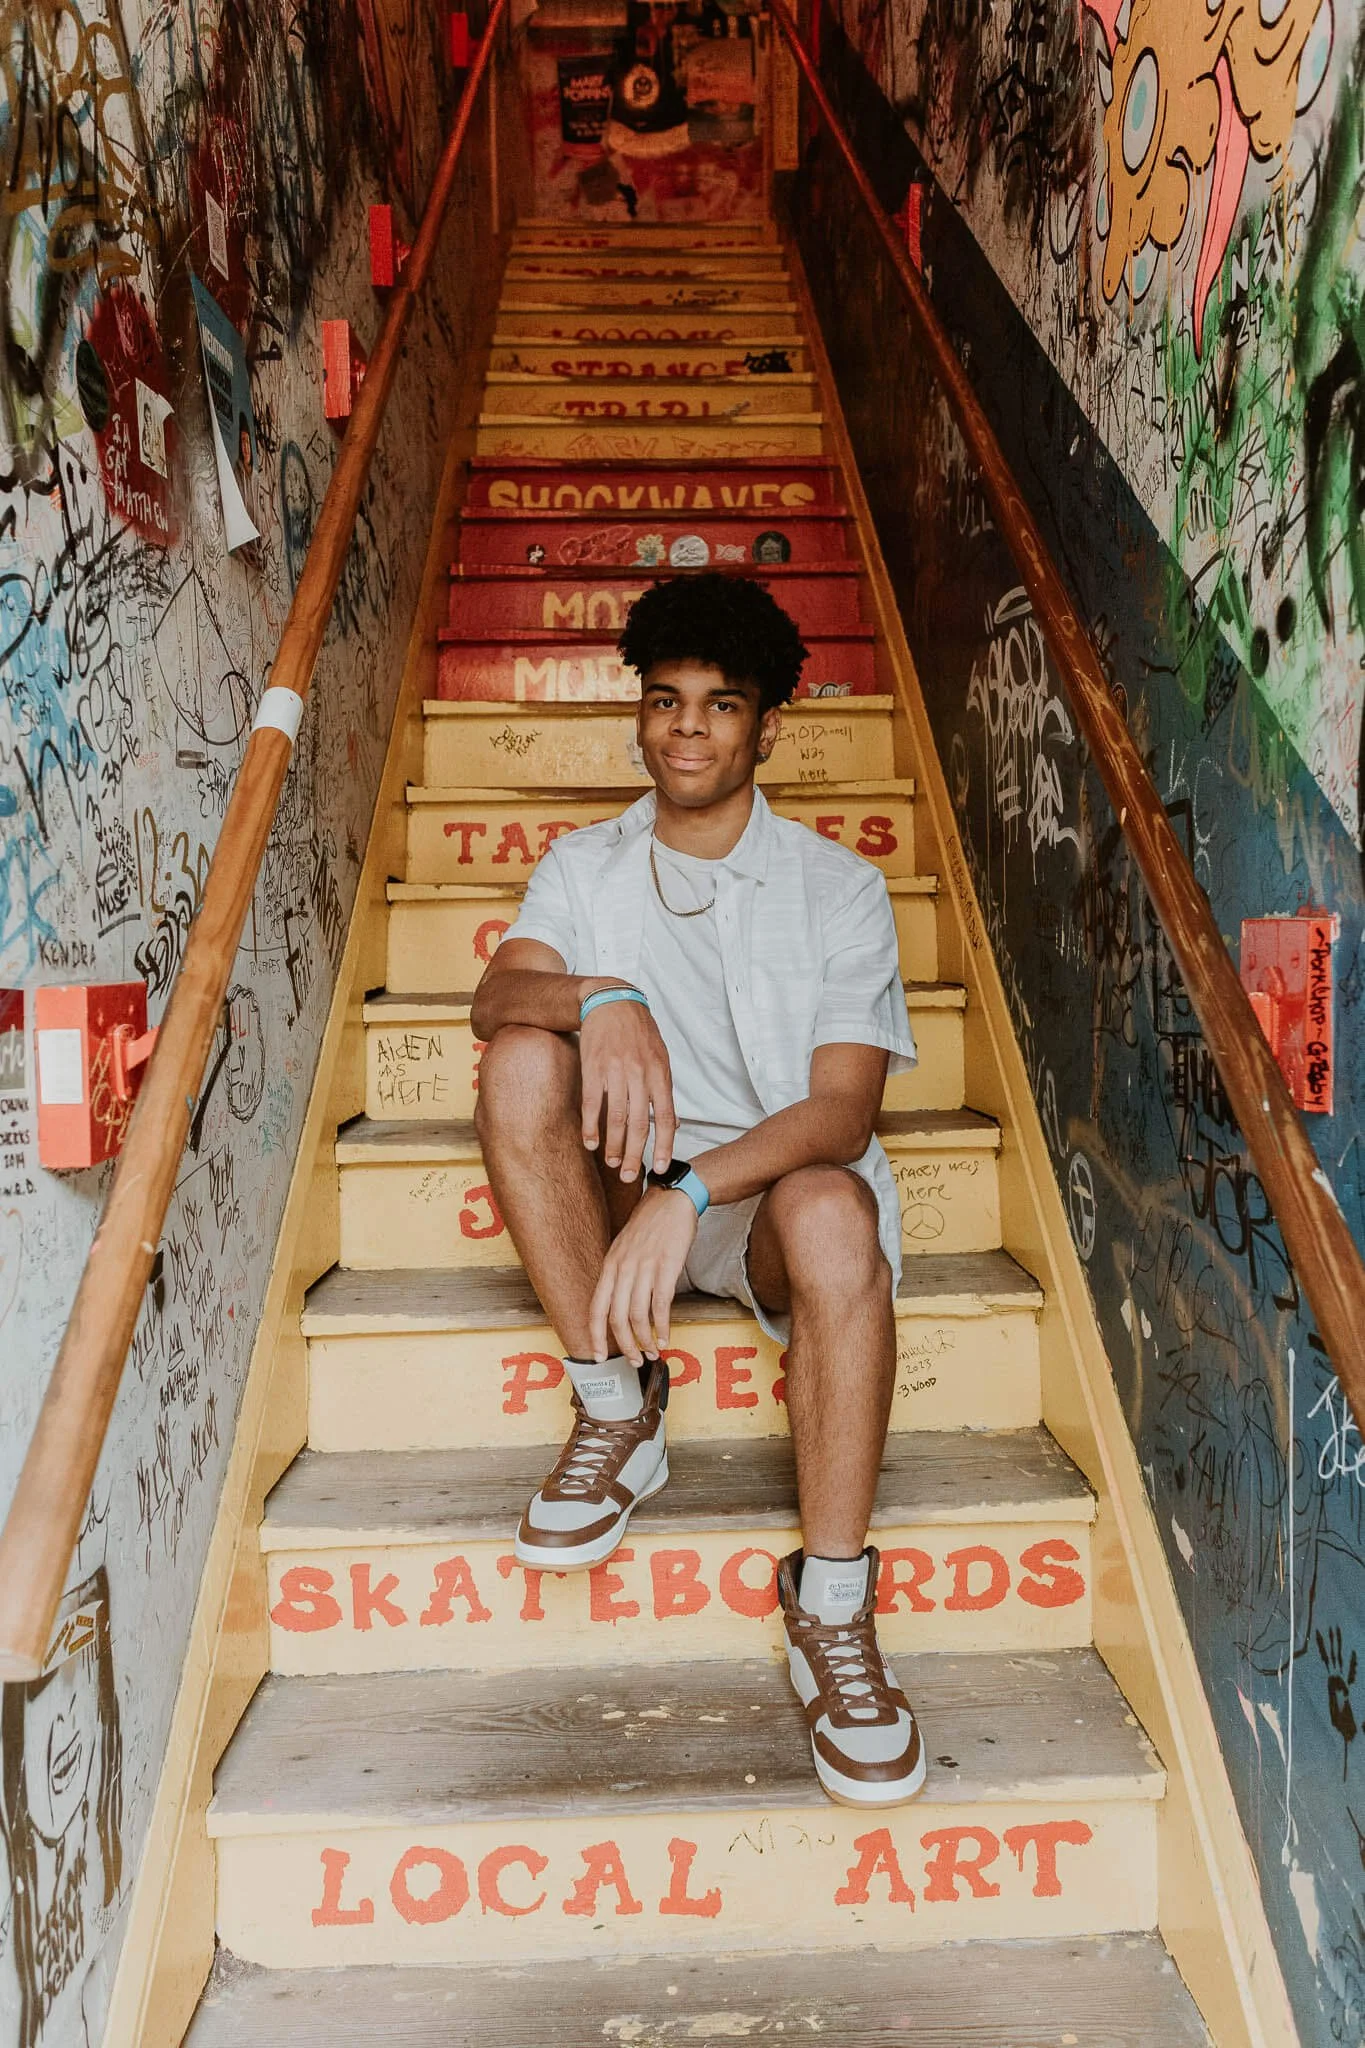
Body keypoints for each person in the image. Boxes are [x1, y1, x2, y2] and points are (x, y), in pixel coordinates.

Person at [471, 572, 924, 1807]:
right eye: (665, 700)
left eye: (720, 706)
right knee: (521, 1063)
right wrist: (600, 998)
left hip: (770, 1202)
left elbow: (843, 1111)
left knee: (836, 1207)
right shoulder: (584, 866)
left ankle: (830, 1607)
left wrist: (688, 1193)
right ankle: (618, 1405)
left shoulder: (842, 888)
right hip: (626, 1184)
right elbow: (495, 998)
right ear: (639, 714)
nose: (686, 727)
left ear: (768, 725)